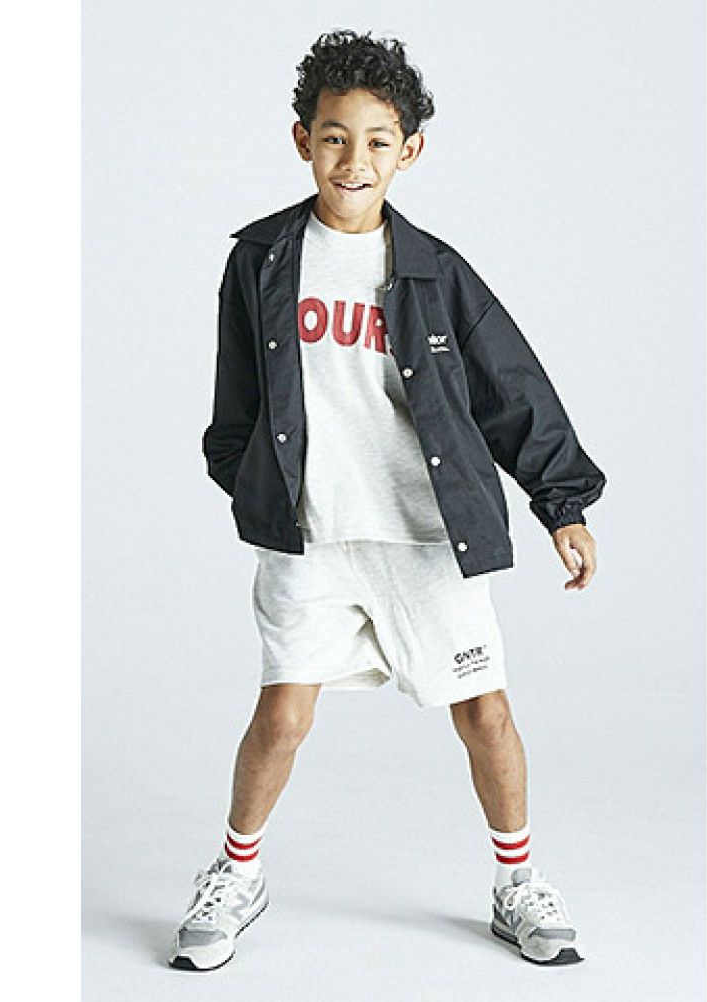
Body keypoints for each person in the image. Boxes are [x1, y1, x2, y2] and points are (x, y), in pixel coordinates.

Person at [169, 28, 606, 971]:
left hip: (426, 535)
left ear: (410, 150)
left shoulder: (436, 271)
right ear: (303, 140)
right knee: (283, 715)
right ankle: (237, 873)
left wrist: (563, 502)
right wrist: (260, 488)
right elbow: (234, 406)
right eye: (333, 137)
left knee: (484, 712)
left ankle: (517, 883)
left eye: (375, 140)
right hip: (313, 537)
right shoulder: (262, 259)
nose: (352, 159)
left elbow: (511, 388)